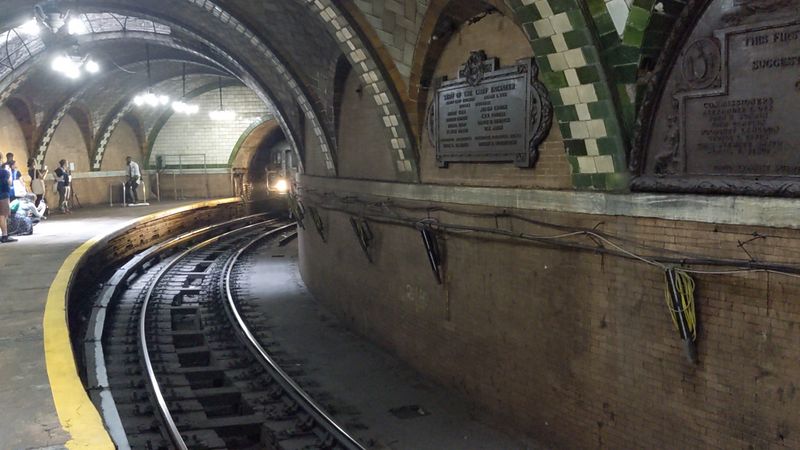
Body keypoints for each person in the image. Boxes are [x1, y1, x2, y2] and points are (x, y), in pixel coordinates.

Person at [0, 155, 16, 243]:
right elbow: (9, 183)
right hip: (3, 195)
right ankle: (5, 235)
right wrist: (9, 172)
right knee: (3, 215)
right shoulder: (4, 172)